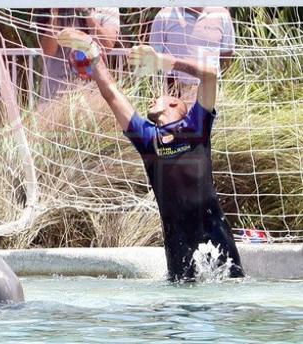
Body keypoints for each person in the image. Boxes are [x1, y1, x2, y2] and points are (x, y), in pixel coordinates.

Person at [57, 29, 244, 281]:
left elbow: (210, 75)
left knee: (230, 294)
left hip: (214, 231)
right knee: (182, 305)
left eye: (160, 98)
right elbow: (111, 94)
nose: (152, 99)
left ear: (176, 104)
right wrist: (93, 53)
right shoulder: (147, 138)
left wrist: (164, 62)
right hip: (176, 239)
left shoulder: (196, 125)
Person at [38, 0, 120, 101]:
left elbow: (107, 45)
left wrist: (86, 12)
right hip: (56, 92)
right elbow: (48, 51)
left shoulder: (108, 7)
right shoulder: (57, 7)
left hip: (94, 93)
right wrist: (55, 11)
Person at [148, 0, 235, 101]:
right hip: (174, 92)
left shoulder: (222, 14)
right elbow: (154, 56)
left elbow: (226, 53)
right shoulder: (164, 16)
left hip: (209, 91)